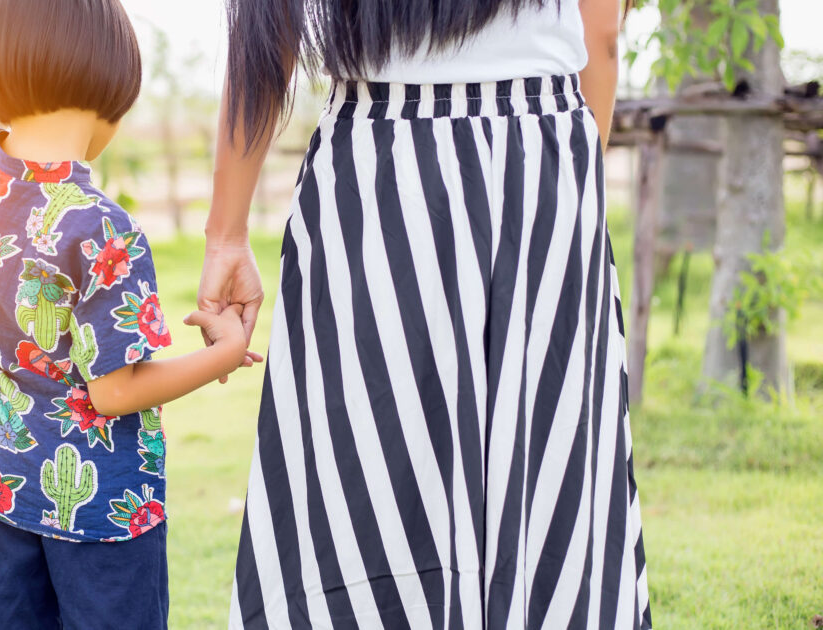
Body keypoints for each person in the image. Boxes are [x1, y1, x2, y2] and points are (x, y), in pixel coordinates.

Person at [200, 0, 652, 627]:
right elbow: (600, 30)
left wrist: (226, 236)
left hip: (376, 153)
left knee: (365, 467)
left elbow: (266, 32)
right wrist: (575, 193)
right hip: (538, 155)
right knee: (544, 470)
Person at [0, 2, 258, 627]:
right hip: (99, 510)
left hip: (2, 477)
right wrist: (224, 352)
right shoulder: (103, 230)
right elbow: (114, 393)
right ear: (113, 88)